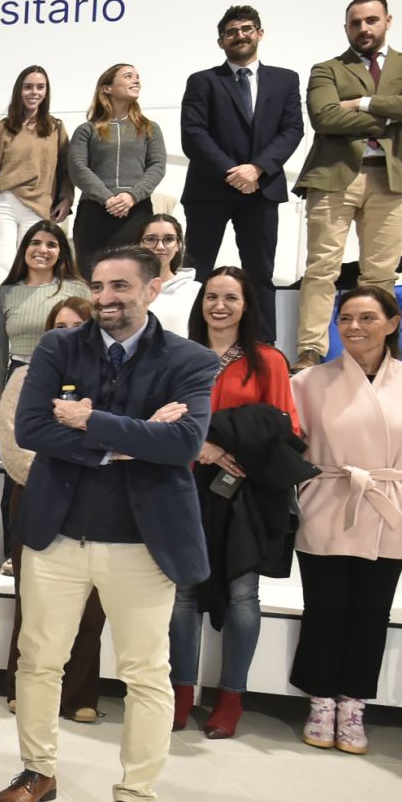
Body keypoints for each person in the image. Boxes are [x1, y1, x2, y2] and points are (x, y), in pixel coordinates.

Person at [0, 244, 219, 802]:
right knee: (39, 660)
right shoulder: (57, 348)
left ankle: (135, 801)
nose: (105, 298)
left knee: (147, 674)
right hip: (57, 535)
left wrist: (90, 420)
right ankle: (36, 771)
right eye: (97, 286)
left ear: (151, 290)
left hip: (143, 546)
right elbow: (32, 430)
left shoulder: (190, 360)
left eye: (120, 286)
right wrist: (130, 439)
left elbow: (182, 444)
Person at [172, 267, 306, 739]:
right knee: (183, 595)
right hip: (185, 486)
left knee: (244, 596)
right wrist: (203, 447)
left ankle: (231, 697)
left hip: (244, 492)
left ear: (247, 304)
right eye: (211, 296)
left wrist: (230, 450)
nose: (219, 305)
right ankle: (181, 692)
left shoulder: (267, 360)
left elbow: (283, 426)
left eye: (231, 297)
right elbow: (165, 419)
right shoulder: (179, 354)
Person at [289, 287, 402, 754]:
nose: (354, 327)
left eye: (367, 318)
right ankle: (320, 699)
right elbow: (292, 444)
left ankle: (353, 703)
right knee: (325, 605)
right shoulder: (309, 381)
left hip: (388, 506)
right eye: (346, 318)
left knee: (371, 611)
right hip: (329, 501)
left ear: (392, 323)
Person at [0, 296, 106, 721]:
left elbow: (111, 441)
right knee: (33, 602)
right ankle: (19, 687)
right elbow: (13, 444)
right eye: (58, 326)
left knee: (91, 606)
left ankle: (80, 694)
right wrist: (62, 470)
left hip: (95, 502)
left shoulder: (106, 376)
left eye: (75, 326)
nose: (64, 333)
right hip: (38, 496)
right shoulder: (25, 377)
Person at [180, 6, 305, 344]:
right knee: (196, 273)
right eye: (232, 32)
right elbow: (193, 135)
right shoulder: (203, 81)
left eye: (247, 29)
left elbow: (292, 130)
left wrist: (257, 168)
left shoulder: (285, 79)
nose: (240, 36)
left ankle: (263, 348)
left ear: (260, 33)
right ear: (221, 41)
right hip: (209, 191)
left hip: (261, 189)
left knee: (260, 274)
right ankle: (192, 345)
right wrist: (233, 172)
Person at [293, 0, 402, 370]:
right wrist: (392, 114)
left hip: (391, 178)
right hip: (334, 176)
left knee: (380, 274)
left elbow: (342, 113)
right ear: (346, 27)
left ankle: (382, 352)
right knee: (322, 268)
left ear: (387, 21)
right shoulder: (327, 69)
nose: (364, 28)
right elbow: (324, 118)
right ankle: (310, 350)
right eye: (356, 23)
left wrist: (361, 104)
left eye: (371, 20)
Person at [0, 65, 73, 286]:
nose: (34, 92)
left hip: (39, 206)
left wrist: (67, 198)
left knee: (35, 267)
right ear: (19, 90)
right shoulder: (3, 127)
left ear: (46, 91)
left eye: (40, 87)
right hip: (3, 204)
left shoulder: (55, 128)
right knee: (0, 267)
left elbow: (67, 170)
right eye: (28, 87)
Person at [68, 64, 169, 268]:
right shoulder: (86, 130)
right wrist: (107, 198)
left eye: (138, 77)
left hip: (137, 213)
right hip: (94, 213)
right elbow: (77, 168)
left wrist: (132, 196)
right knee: (92, 277)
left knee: (135, 276)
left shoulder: (150, 128)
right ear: (107, 88)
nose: (136, 80)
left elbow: (157, 166)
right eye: (128, 76)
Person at [0, 220, 88, 375]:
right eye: (35, 243)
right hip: (19, 372)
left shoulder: (80, 290)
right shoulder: (4, 294)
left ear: (60, 253)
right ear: (24, 249)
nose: (42, 250)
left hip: (66, 372)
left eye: (51, 245)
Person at [138, 213, 199, 336]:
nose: (160, 246)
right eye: (151, 239)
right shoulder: (125, 288)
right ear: (140, 244)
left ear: (178, 245)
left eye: (168, 239)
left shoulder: (196, 291)